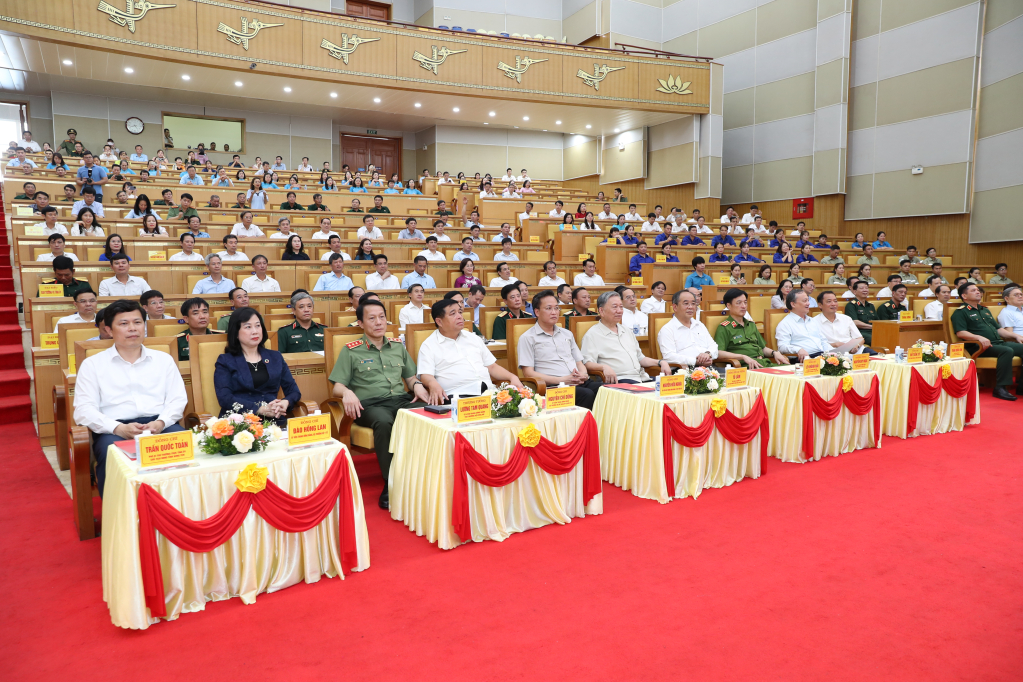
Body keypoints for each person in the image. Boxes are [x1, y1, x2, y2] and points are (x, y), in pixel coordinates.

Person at [73, 299, 187, 496]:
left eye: (137, 322)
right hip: (113, 429)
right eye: (123, 324)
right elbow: (83, 410)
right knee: (112, 455)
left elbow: (177, 399)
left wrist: (160, 422)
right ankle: (120, 519)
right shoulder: (93, 365)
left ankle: (179, 514)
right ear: (109, 330)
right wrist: (118, 428)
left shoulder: (163, 360)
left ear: (145, 326)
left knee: (183, 448)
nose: (132, 329)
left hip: (160, 425)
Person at [329, 299, 429, 508]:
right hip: (370, 405)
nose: (378, 322)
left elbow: (410, 378)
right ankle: (390, 483)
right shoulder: (351, 350)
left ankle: (424, 477)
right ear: (360, 323)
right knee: (384, 422)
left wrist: (418, 385)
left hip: (401, 400)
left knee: (427, 413)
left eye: (382, 317)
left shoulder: (397, 347)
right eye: (371, 318)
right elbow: (337, 386)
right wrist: (347, 392)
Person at [419, 298, 524, 400]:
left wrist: (512, 377)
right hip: (457, 397)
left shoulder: (473, 337)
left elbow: (491, 367)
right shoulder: (429, 345)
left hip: (489, 393)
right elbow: (425, 375)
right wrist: (433, 383)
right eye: (453, 313)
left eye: (460, 312)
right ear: (439, 321)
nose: (460, 316)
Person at [214, 308, 300, 426]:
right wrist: (258, 409)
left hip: (273, 421)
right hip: (239, 423)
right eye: (248, 327)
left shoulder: (275, 357)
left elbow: (294, 391)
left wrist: (285, 402)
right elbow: (225, 398)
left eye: (258, 326)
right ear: (236, 332)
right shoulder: (226, 361)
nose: (255, 331)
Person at [517, 290, 603, 408]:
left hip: (578, 382)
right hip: (553, 387)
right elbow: (528, 373)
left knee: (605, 390)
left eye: (556, 308)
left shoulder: (567, 334)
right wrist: (562, 380)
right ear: (536, 312)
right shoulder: (528, 338)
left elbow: (579, 362)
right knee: (586, 394)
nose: (554, 312)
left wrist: (583, 374)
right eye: (548, 308)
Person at [581, 291, 670, 383]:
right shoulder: (592, 334)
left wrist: (660, 362)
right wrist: (604, 367)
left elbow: (640, 358)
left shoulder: (626, 330)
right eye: (615, 307)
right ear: (601, 311)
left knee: (672, 386)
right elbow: (587, 363)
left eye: (621, 307)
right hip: (619, 380)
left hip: (642, 377)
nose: (619, 311)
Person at [953, 283, 1023, 400]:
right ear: (964, 296)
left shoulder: (984, 310)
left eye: (978, 290)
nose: (978, 292)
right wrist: (979, 337)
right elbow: (960, 332)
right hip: (979, 346)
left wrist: (1015, 335)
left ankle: (1021, 386)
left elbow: (999, 329)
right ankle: (1000, 388)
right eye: (973, 290)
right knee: (1006, 350)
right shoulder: (961, 312)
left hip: (997, 343)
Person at [714, 288, 787, 367]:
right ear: (729, 305)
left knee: (791, 370)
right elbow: (719, 352)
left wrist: (774, 352)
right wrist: (742, 357)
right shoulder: (724, 327)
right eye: (739, 303)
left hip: (763, 363)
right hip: (747, 367)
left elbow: (763, 348)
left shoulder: (751, 324)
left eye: (745, 302)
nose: (743, 306)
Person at [657, 290, 717, 366]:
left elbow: (713, 345)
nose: (690, 307)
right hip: (684, 370)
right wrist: (695, 361)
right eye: (686, 303)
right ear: (675, 307)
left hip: (708, 368)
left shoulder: (699, 325)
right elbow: (669, 357)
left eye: (693, 303)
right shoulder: (667, 330)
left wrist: (708, 353)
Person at [844, 280, 878, 344]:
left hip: (874, 330)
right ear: (854, 291)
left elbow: (877, 321)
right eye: (862, 288)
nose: (865, 290)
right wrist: (871, 327)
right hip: (859, 332)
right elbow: (855, 322)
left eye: (866, 288)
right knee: (875, 338)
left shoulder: (871, 305)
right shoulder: (851, 305)